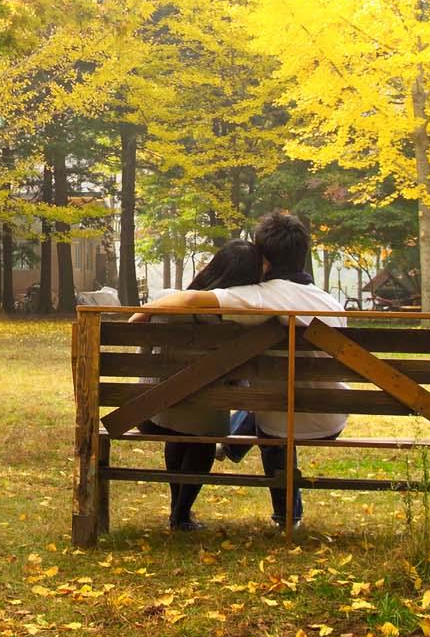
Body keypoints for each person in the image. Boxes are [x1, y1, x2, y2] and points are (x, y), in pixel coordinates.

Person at [139, 210, 348, 528]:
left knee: (274, 413)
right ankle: (285, 516)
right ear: (303, 254)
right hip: (330, 418)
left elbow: (192, 298)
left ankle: (247, 463)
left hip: (277, 421)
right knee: (279, 402)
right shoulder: (332, 304)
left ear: (265, 258)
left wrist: (142, 311)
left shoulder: (254, 299)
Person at [147, 240, 266, 530]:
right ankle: (181, 513)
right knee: (202, 428)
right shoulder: (238, 320)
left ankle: (179, 511)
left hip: (150, 412)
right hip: (203, 419)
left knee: (181, 424)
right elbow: (240, 378)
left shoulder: (167, 299)